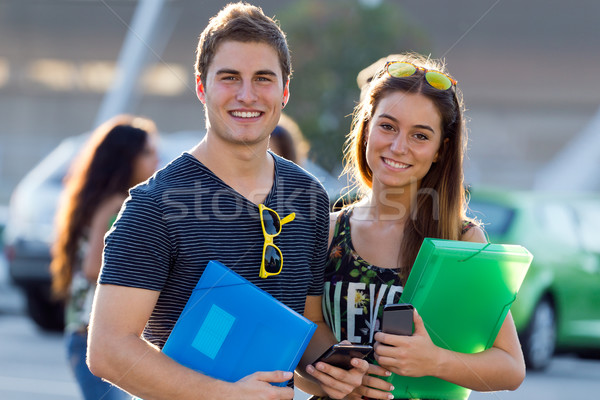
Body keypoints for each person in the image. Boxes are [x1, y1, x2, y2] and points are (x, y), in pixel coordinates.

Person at [87, 3, 367, 400]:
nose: (246, 94)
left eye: (263, 79)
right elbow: (108, 351)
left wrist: (340, 370)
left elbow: (304, 325)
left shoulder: (309, 197)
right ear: (202, 87)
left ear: (285, 91)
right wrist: (224, 393)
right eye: (230, 77)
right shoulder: (155, 205)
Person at [314, 53, 526, 399]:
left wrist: (434, 361)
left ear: (440, 151)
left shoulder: (463, 240)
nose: (399, 146)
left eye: (420, 136)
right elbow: (304, 355)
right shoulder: (328, 231)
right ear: (366, 128)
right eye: (387, 126)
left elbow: (511, 367)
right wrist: (335, 382)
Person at [50, 114, 159, 400]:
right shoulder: (116, 203)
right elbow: (92, 267)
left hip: (87, 335)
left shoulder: (101, 200)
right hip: (93, 336)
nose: (156, 160)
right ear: (126, 159)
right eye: (147, 152)